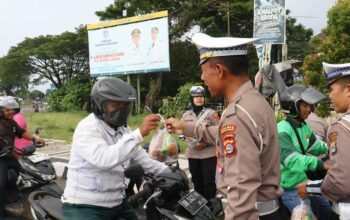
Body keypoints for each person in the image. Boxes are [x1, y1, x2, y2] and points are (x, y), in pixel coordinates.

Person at [165, 33, 286, 219]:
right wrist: (185, 127)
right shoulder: (255, 102)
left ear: (220, 70)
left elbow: (241, 189)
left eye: (204, 70)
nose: (202, 77)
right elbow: (221, 133)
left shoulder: (237, 114)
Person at [62, 77, 170, 220]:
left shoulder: (123, 129)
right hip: (85, 206)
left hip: (117, 203)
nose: (122, 110)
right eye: (115, 105)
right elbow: (104, 159)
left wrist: (167, 171)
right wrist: (139, 134)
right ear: (99, 105)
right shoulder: (87, 128)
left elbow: (138, 156)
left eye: (125, 105)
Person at [297, 62, 350, 220]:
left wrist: (310, 188)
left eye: (332, 90)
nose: (330, 96)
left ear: (348, 89)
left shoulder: (342, 126)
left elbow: (341, 181)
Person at [277, 85, 332, 219]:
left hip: (304, 181)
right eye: (305, 106)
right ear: (292, 106)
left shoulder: (303, 125)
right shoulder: (281, 130)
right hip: (290, 188)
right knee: (308, 217)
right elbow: (293, 160)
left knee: (328, 209)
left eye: (309, 105)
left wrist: (334, 148)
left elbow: (316, 146)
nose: (309, 109)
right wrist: (321, 164)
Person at [0, 96, 45, 218]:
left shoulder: (11, 123)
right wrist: (18, 155)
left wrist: (35, 138)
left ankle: (22, 200)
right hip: (1, 159)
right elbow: (4, 147)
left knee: (31, 173)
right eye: (7, 110)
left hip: (11, 156)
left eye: (12, 109)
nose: (11, 112)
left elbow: (21, 132)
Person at [181, 85, 219, 201]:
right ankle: (199, 210)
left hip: (209, 154)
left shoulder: (212, 114)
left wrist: (206, 143)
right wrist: (191, 142)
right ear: (191, 98)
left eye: (201, 96)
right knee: (196, 182)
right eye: (196, 96)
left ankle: (211, 208)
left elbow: (219, 133)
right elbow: (181, 133)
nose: (199, 98)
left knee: (209, 183)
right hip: (193, 154)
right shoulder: (186, 115)